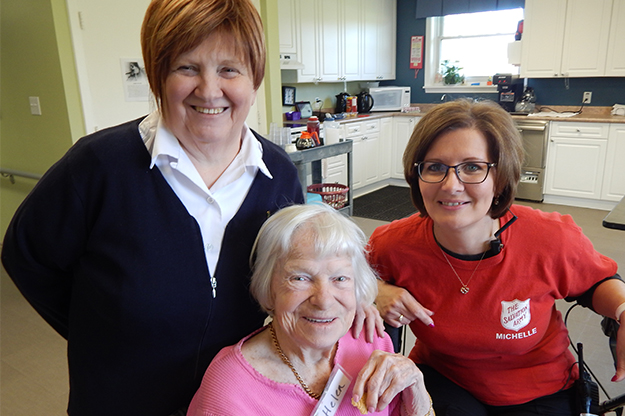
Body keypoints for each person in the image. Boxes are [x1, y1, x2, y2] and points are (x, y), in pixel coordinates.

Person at [1, 1, 306, 415]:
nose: (209, 90)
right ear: (157, 74)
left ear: (255, 80)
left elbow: (300, 277)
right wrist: (100, 332)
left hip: (233, 403)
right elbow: (28, 256)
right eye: (187, 67)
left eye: (229, 69)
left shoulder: (280, 177)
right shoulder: (97, 166)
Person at [368, 99, 625, 416]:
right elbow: (339, 280)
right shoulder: (392, 243)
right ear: (416, 175)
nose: (451, 185)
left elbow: (597, 280)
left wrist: (623, 308)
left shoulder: (550, 237)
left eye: (473, 167)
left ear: (500, 178)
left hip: (541, 389)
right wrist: (374, 289)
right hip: (444, 380)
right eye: (434, 167)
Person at [187, 203, 434, 416]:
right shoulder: (229, 390)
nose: (324, 300)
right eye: (300, 278)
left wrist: (417, 391)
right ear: (268, 286)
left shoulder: (369, 338)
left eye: (340, 278)